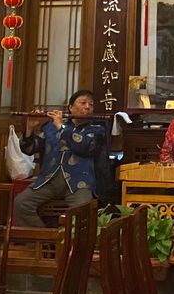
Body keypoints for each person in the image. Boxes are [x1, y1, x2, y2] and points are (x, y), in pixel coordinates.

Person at [11, 89, 106, 227]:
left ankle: (70, 241)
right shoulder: (51, 127)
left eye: (91, 104)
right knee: (21, 203)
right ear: (71, 107)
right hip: (49, 179)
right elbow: (29, 149)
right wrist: (30, 128)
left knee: (83, 212)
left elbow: (84, 146)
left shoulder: (97, 129)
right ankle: (43, 239)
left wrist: (61, 127)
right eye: (83, 103)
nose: (87, 107)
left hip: (79, 183)